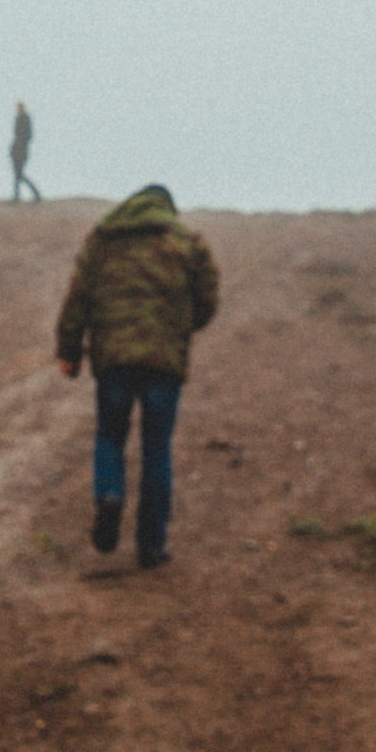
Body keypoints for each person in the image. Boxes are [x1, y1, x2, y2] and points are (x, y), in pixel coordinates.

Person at [54, 184, 220, 569]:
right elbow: (208, 299)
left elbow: (77, 297)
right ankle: (151, 545)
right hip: (164, 362)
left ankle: (110, 493)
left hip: (113, 359)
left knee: (110, 436)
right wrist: (179, 327)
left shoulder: (102, 239)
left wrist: (68, 351)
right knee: (156, 448)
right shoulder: (188, 241)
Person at [10, 101, 40, 202]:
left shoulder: (25, 119)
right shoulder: (19, 119)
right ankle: (18, 195)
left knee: (19, 174)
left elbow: (27, 136)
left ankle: (34, 193)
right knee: (17, 174)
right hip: (17, 150)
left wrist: (20, 144)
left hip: (21, 151)